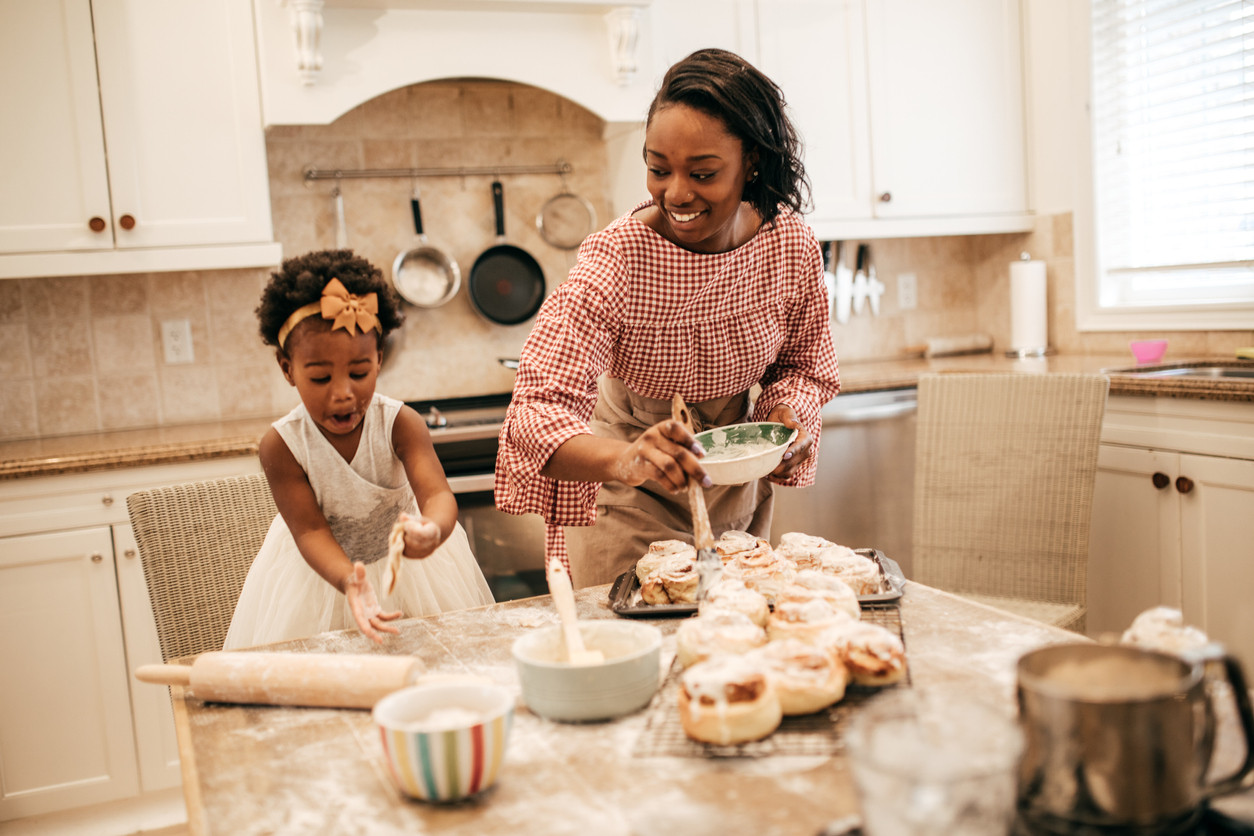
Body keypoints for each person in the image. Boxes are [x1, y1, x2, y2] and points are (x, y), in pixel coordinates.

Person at [495, 48, 841, 588]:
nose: (676, 193)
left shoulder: (787, 244)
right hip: (628, 491)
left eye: (702, 173)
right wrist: (624, 459)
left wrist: (788, 414)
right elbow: (536, 411)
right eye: (658, 169)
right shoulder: (618, 259)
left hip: (736, 486)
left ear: (751, 161)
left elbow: (804, 366)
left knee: (729, 646)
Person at [225, 250, 493, 649]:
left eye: (359, 373)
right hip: (322, 577)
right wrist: (350, 580)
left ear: (379, 360)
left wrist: (433, 529)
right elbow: (311, 529)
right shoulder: (282, 445)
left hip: (414, 576)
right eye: (319, 377)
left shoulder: (401, 423)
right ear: (287, 369)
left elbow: (436, 494)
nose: (343, 394)